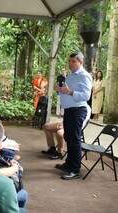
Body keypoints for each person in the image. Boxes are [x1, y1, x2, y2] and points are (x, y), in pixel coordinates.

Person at [55, 52, 92, 180]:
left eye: (73, 61)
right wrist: (59, 91)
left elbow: (86, 96)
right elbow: (65, 92)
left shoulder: (85, 76)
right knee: (68, 137)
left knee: (75, 139)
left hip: (78, 110)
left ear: (80, 62)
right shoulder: (70, 77)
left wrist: (70, 92)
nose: (70, 64)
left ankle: (75, 170)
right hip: (69, 111)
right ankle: (68, 164)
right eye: (70, 61)